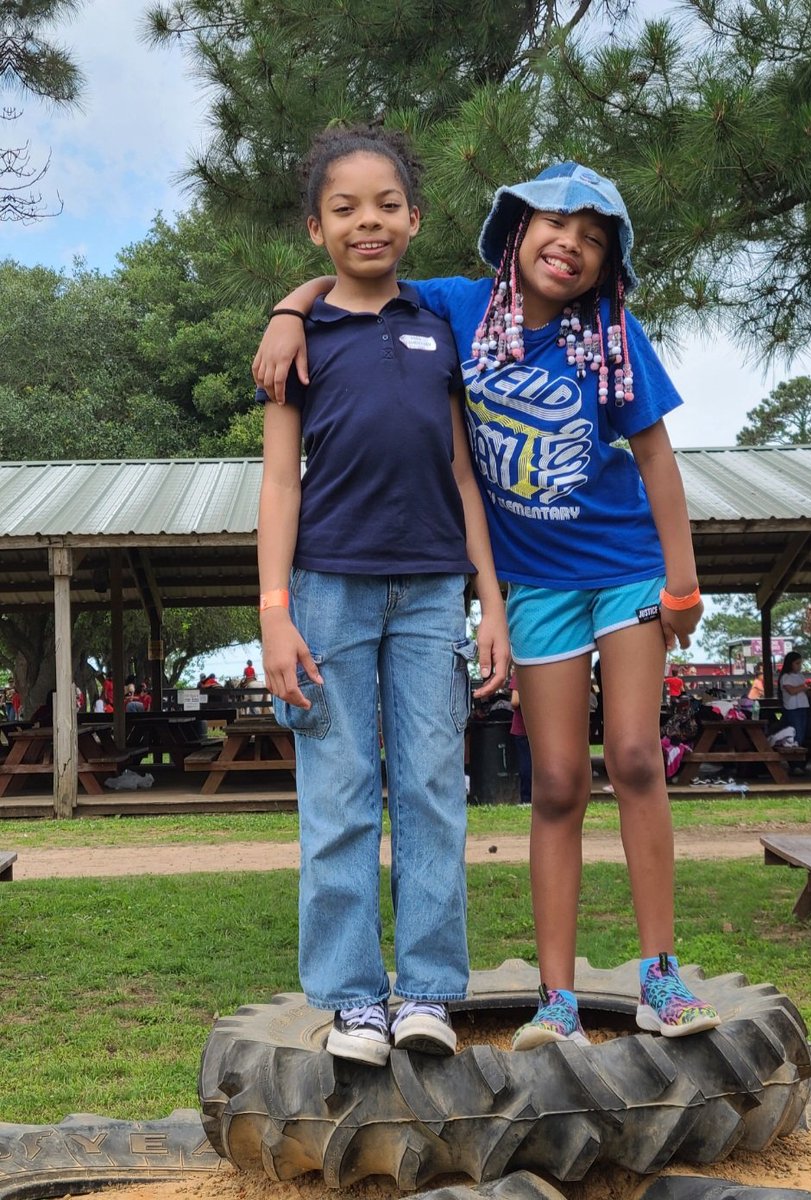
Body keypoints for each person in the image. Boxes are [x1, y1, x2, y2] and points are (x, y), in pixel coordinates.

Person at [254, 159, 720, 1045]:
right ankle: (557, 998)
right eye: (554, 226)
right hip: (531, 579)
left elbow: (658, 457)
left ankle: (662, 974)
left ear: (608, 262)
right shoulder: (458, 309)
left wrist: (683, 582)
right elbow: (357, 270)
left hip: (620, 566)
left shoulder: (612, 333)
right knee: (552, 779)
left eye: (591, 239)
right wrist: (287, 309)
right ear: (513, 232)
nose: (569, 246)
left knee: (631, 757)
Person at [257, 126, 508, 1068]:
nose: (369, 220)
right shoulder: (300, 340)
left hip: (436, 591)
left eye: (386, 204)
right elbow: (280, 484)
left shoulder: (441, 327)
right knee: (340, 797)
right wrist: (274, 612)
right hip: (326, 594)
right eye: (345, 207)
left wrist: (492, 601)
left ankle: (431, 992)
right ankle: (354, 1000)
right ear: (316, 227)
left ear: (416, 217)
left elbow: (463, 471)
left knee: (435, 793)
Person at [777, 652, 811, 754]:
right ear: (790, 664)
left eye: (800, 663)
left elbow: (806, 693)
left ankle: (798, 760)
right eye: (797, 663)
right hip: (792, 708)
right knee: (795, 733)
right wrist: (804, 686)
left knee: (802, 733)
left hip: (803, 706)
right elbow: (791, 691)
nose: (799, 666)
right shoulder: (785, 677)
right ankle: (794, 761)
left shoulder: (800, 676)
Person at [509, 673, 532, 805]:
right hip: (540, 728)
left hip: (522, 727)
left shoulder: (519, 673)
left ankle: (527, 798)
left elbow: (515, 701)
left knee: (526, 763)